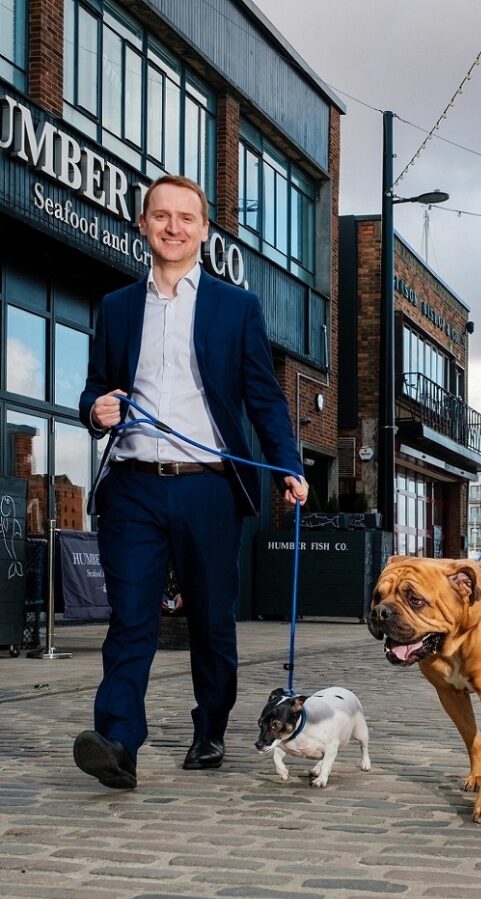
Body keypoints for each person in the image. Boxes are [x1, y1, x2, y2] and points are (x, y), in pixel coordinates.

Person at [74, 174, 308, 790]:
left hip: (208, 485)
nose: (173, 227)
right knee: (130, 617)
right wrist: (95, 408)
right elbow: (96, 386)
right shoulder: (118, 307)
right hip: (132, 484)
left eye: (186, 217)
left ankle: (210, 729)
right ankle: (119, 741)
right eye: (161, 216)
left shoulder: (237, 307)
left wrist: (289, 463)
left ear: (204, 229)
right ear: (144, 224)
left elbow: (264, 399)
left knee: (210, 617)